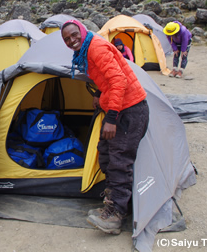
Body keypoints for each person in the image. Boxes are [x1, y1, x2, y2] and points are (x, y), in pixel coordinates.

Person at [61, 20, 149, 235]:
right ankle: (111, 204)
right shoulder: (86, 50)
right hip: (120, 108)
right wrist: (100, 95)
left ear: (82, 31)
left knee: (119, 161)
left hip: (129, 110)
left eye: (74, 35)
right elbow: (107, 78)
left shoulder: (96, 48)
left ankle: (117, 214)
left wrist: (111, 118)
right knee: (106, 155)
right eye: (67, 39)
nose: (72, 40)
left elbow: (119, 80)